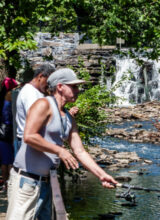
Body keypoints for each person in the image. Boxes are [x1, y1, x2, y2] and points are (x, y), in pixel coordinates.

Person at [6, 68, 117, 219]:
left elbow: (80, 151)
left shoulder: (69, 119)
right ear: (60, 86)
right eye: (74, 86)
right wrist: (60, 151)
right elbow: (29, 136)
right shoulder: (43, 104)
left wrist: (102, 175)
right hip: (27, 182)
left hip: (48, 183)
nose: (78, 90)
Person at [0, 68, 19, 190]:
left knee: (4, 160)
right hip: (9, 130)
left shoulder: (1, 96)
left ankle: (5, 182)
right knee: (11, 159)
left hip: (1, 130)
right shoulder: (10, 95)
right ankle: (9, 183)